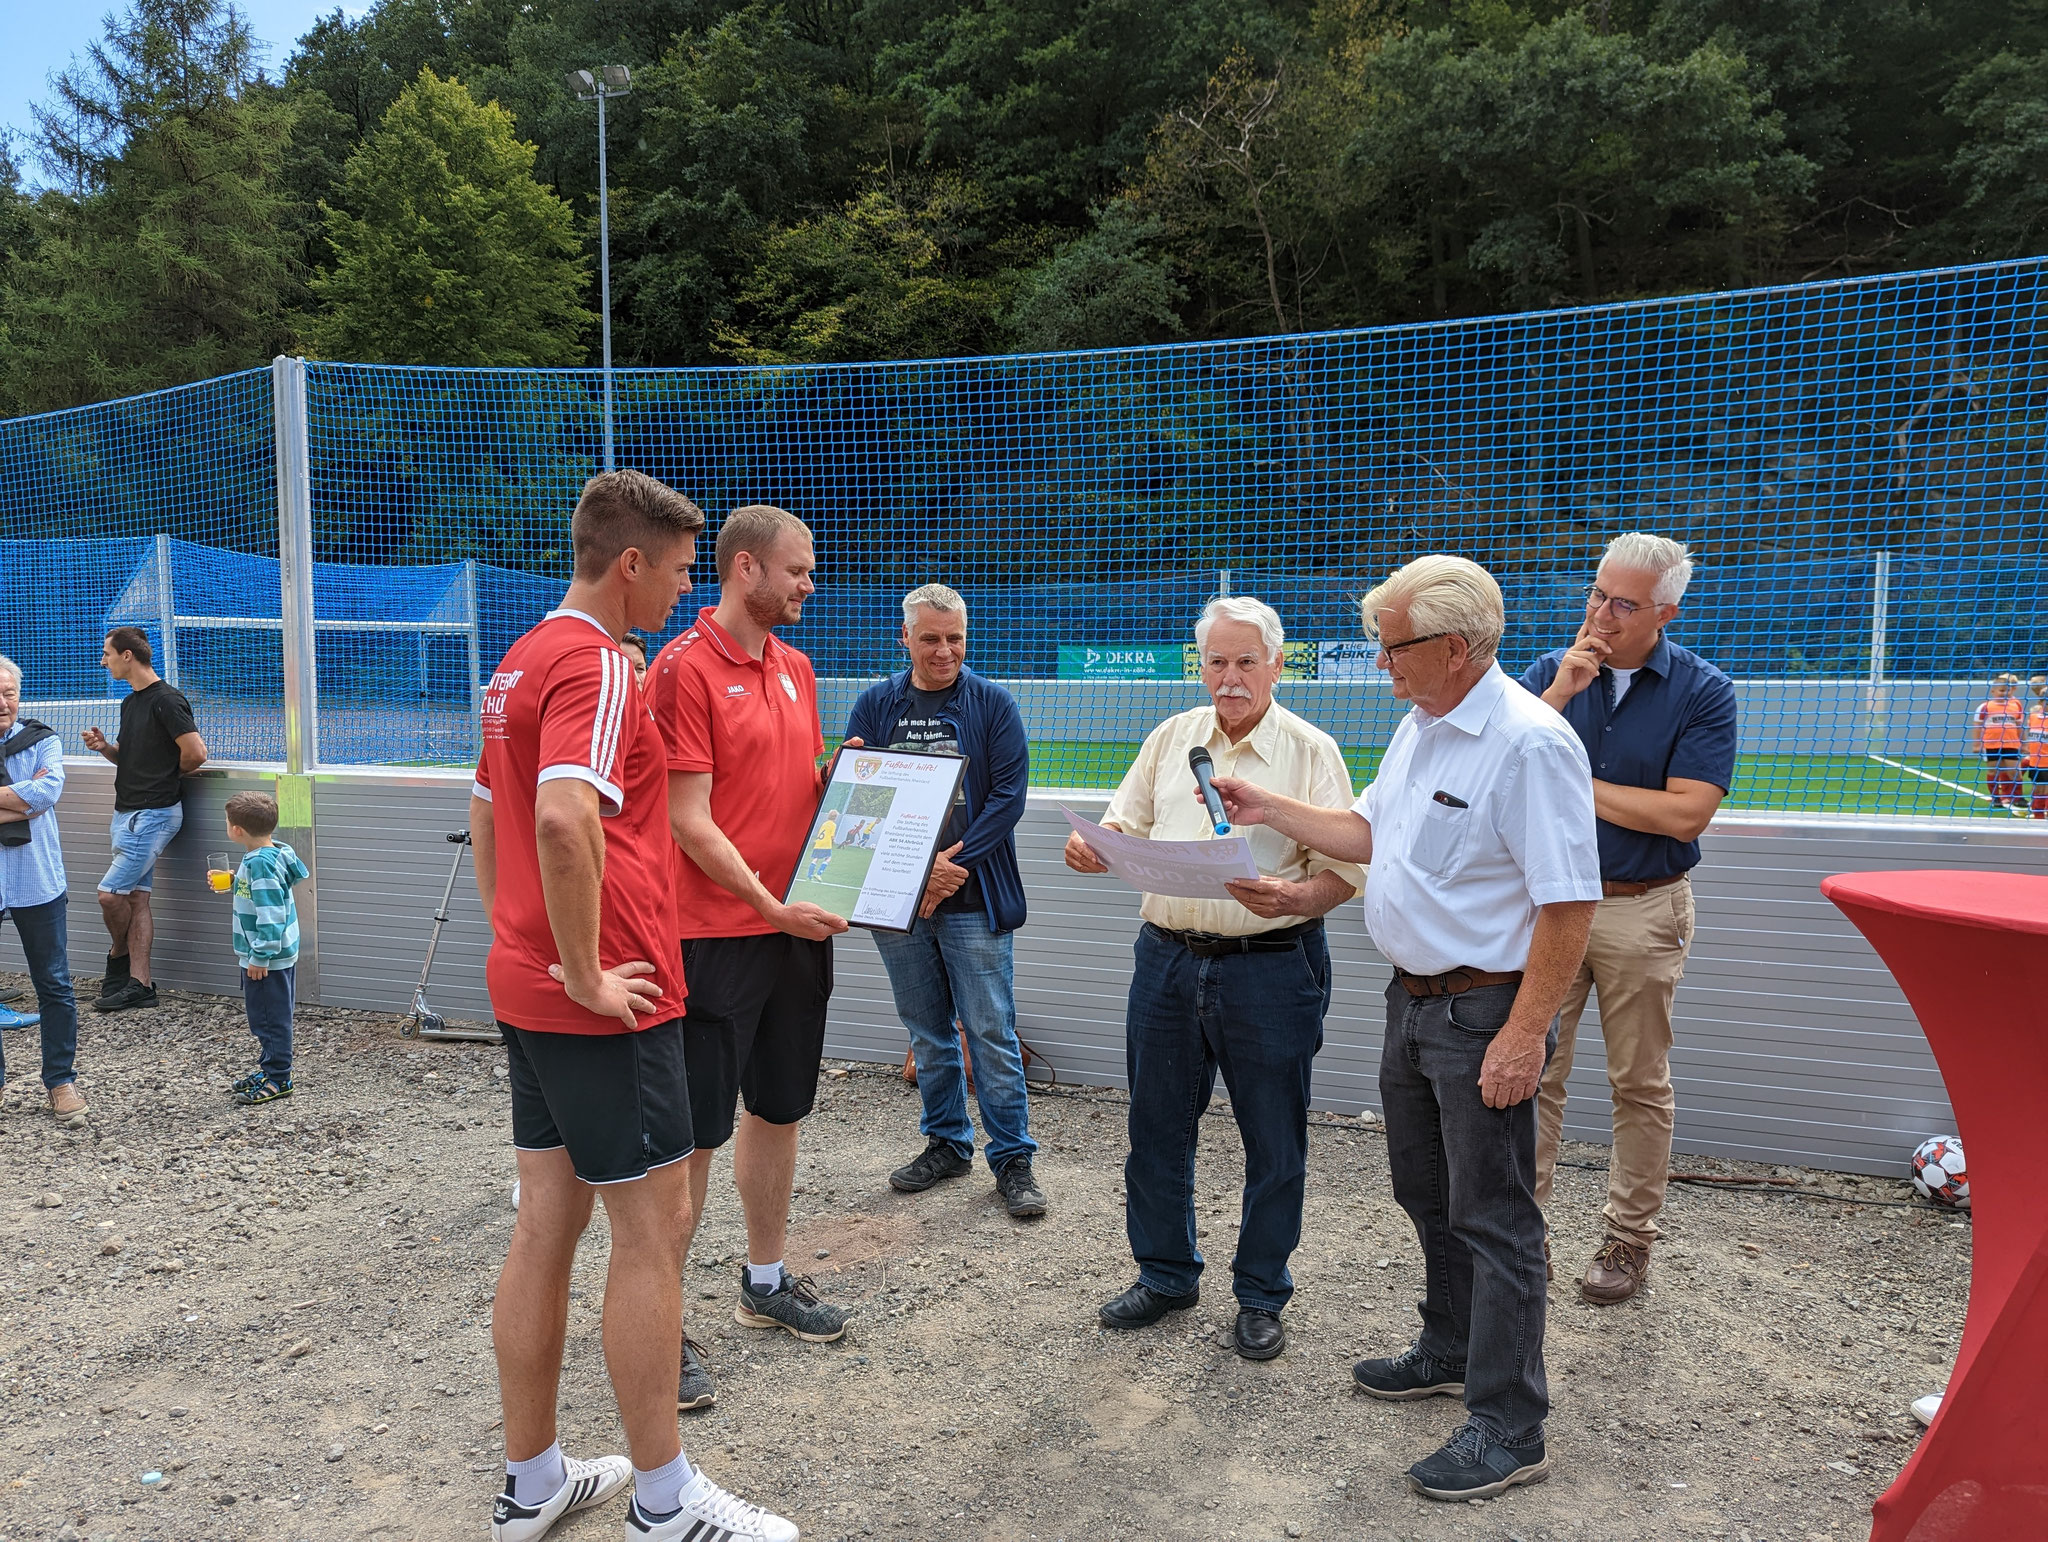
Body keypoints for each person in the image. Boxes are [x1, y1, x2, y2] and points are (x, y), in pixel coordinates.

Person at [1208, 556, 1601, 1502]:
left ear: (1453, 648)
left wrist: (1524, 1034)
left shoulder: (1530, 745)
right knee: (1427, 1193)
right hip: (1416, 1003)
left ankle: (1511, 1425)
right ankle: (1450, 1348)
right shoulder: (1421, 725)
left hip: (1485, 1011)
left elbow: (1569, 903)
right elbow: (1370, 833)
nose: (1380, 662)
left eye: (1392, 647)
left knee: (1497, 1218)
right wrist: (1269, 807)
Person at [471, 470, 793, 1542]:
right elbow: (563, 820)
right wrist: (584, 970)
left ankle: (532, 1483)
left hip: (530, 989)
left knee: (545, 1224)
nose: (685, 587)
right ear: (630, 564)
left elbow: (488, 810)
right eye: (681, 568)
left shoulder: (519, 660)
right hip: (608, 1001)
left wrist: (523, 944)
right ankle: (665, 1503)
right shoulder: (603, 663)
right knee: (650, 1236)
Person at [1065, 597, 1363, 1362]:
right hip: (1166, 960)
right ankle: (1165, 1274)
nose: (1230, 677)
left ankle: (1262, 1293)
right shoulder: (1171, 738)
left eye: (1246, 661)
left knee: (1274, 1140)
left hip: (1272, 966)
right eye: (1217, 661)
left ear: (1277, 665)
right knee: (1156, 1129)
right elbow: (1122, 823)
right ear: (1200, 666)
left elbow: (1347, 870)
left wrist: (1294, 898)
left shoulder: (1311, 751)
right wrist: (1094, 847)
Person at [647, 503, 853, 1417]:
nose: (810, 584)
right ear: (745, 569)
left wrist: (844, 786)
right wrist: (768, 905)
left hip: (792, 931)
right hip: (713, 937)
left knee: (779, 1109)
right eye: (797, 570)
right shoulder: (682, 669)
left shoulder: (796, 667)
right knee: (694, 1136)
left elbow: (792, 789)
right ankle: (662, 1325)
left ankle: (764, 1282)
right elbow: (686, 818)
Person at [1520, 533, 1736, 1305]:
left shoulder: (1703, 691)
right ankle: (1523, 1234)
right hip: (1549, 905)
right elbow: (1500, 768)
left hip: (1643, 906)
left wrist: (1570, 782)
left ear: (1665, 614)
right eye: (1596, 593)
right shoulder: (1549, 674)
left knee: (1639, 1083)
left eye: (1624, 604)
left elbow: (1685, 815)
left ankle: (1628, 1239)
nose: (1601, 614)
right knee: (1530, 1072)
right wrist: (1557, 698)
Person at [846, 583, 1043, 1218]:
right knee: (927, 1030)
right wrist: (914, 872)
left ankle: (1012, 1158)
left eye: (954, 638)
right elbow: (860, 795)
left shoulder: (993, 705)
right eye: (930, 638)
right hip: (896, 900)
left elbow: (1007, 798)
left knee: (989, 1030)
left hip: (973, 896)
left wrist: (949, 867)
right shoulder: (875, 706)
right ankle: (947, 1144)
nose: (944, 650)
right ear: (904, 637)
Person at [80, 626, 208, 1013]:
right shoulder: (130, 703)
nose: (103, 661)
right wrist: (106, 748)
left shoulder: (167, 700)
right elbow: (131, 758)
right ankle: (140, 984)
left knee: (109, 895)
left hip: (152, 814)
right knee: (136, 898)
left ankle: (118, 955)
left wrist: (166, 777)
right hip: (127, 812)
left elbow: (196, 753)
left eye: (107, 654)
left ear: (127, 655)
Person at [0, 655, 85, 1126]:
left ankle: (60, 1081)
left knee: (54, 984)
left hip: (38, 880)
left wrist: (34, 799)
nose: (3, 702)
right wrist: (22, 800)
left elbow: (46, 794)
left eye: (9, 693)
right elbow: (31, 799)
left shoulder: (43, 740)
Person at [221, 791, 310, 1107]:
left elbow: (271, 914)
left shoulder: (260, 864)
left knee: (270, 1019)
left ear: (237, 830)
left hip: (267, 958)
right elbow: (267, 892)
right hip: (271, 954)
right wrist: (235, 881)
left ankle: (279, 1077)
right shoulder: (272, 853)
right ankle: (270, 1068)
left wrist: (260, 956)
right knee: (268, 1015)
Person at [1970, 673, 2024, 810]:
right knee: (1993, 771)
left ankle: (2018, 798)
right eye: (2001, 690)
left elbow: (2019, 726)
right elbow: (1977, 726)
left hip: (2011, 744)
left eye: (2008, 690)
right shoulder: (1985, 707)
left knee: (2015, 771)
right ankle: (1996, 798)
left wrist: (2023, 743)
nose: (2005, 693)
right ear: (1993, 691)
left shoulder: (2016, 706)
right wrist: (1976, 744)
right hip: (1991, 745)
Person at [2023, 676, 2048, 819]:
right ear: (2040, 702)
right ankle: (2038, 816)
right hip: (2036, 762)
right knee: (2038, 790)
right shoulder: (2033, 717)